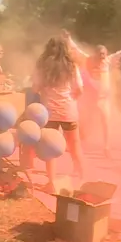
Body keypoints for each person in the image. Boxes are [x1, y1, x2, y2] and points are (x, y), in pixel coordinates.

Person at [64, 30, 121, 157]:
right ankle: (71, 143)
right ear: (95, 54)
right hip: (89, 99)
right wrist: (68, 38)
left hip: (103, 99)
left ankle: (106, 147)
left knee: (105, 122)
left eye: (104, 54)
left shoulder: (108, 60)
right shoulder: (87, 59)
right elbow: (75, 49)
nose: (102, 57)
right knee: (77, 119)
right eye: (100, 54)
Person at [32, 35, 85, 191]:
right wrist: (72, 99)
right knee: (75, 145)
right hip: (68, 110)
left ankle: (51, 182)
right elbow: (80, 89)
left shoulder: (42, 66)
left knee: (50, 147)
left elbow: (35, 88)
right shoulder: (71, 66)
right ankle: (82, 176)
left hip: (49, 111)